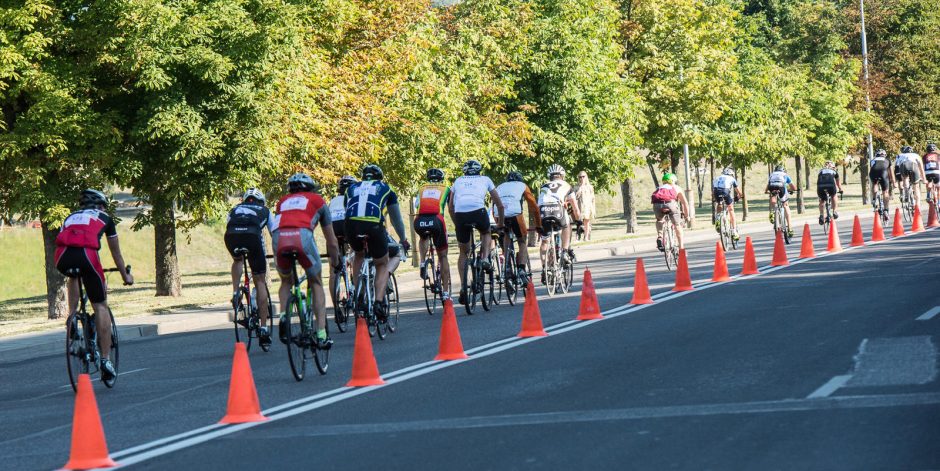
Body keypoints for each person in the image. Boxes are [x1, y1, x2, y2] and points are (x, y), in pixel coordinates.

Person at [55, 189, 134, 382]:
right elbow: (116, 253)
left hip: (62, 257)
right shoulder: (104, 217)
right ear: (100, 205)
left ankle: (72, 316)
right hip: (87, 256)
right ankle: (106, 360)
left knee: (73, 275)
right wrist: (126, 275)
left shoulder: (69, 217)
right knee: (100, 305)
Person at [271, 173, 339, 349]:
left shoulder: (282, 201)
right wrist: (335, 261)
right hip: (302, 236)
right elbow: (331, 241)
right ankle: (321, 333)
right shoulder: (318, 200)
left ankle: (284, 316)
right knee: (316, 281)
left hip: (279, 238)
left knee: (286, 280)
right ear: (311, 188)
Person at [344, 164, 410, 320]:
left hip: (351, 224)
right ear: (380, 177)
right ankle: (378, 302)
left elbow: (348, 210)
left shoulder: (351, 188)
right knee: (381, 263)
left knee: (359, 255)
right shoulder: (385, 188)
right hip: (373, 224)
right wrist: (403, 239)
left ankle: (358, 294)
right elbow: (396, 219)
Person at [449, 159, 504, 305]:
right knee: (486, 232)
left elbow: (450, 206)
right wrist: (500, 224)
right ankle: (485, 258)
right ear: (479, 171)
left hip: (461, 215)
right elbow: (499, 204)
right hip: (478, 212)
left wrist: (457, 224)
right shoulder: (486, 179)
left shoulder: (458, 180)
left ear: (464, 171)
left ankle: (463, 287)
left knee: (463, 253)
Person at [223, 188, 273, 347]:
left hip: (231, 236)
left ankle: (236, 291)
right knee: (260, 281)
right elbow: (274, 233)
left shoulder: (235, 209)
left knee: (237, 260)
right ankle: (264, 328)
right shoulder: (265, 210)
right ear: (261, 201)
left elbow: (228, 224)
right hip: (252, 236)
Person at [537, 165, 581, 284]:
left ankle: (545, 268)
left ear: (550, 176)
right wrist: (579, 221)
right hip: (557, 210)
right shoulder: (567, 185)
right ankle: (565, 251)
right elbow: (575, 209)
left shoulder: (543, 185)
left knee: (545, 241)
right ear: (562, 175)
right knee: (567, 226)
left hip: (543, 211)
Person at [494, 170, 540, 280]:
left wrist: (498, 224)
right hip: (515, 214)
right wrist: (539, 224)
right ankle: (521, 269)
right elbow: (533, 205)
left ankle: (507, 267)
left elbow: (493, 205)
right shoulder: (522, 185)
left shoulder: (499, 186)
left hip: (499, 213)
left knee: (506, 235)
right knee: (522, 241)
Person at [414, 168, 451, 298]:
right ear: (442, 178)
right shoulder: (446, 187)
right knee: (443, 256)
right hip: (437, 219)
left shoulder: (421, 188)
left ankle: (423, 262)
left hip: (420, 220)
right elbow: (451, 207)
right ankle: (446, 293)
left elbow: (416, 205)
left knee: (423, 237)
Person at [327, 175, 357, 312]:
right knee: (358, 253)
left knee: (333, 269)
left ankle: (336, 308)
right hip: (347, 225)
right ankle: (355, 286)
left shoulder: (332, 201)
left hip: (333, 227)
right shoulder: (354, 198)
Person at [652, 173, 688, 251]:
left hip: (657, 205)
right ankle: (681, 248)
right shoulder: (677, 188)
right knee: (677, 225)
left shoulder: (659, 188)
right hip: (670, 205)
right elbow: (685, 203)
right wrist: (686, 216)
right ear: (673, 181)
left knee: (659, 220)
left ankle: (660, 237)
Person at [765, 164, 796, 239]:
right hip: (781, 187)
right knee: (785, 205)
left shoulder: (772, 174)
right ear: (783, 170)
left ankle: (772, 212)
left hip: (772, 186)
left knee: (773, 197)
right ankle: (790, 228)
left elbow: (768, 185)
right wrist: (792, 191)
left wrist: (766, 191)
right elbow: (793, 187)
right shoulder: (785, 175)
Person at [712, 167, 742, 239]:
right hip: (725, 192)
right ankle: (734, 232)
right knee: (731, 209)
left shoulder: (717, 178)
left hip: (716, 192)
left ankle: (718, 218)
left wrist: (715, 198)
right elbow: (738, 191)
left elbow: (713, 191)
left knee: (719, 203)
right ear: (731, 174)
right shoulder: (732, 179)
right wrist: (740, 196)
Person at [575, 171, 596, 240]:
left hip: (587, 207)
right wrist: (580, 189)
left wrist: (593, 209)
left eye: (583, 176)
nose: (582, 178)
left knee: (587, 222)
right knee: (579, 223)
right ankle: (578, 237)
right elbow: (575, 197)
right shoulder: (576, 187)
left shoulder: (590, 187)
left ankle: (586, 237)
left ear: (586, 177)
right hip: (579, 207)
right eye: (580, 177)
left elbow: (593, 199)